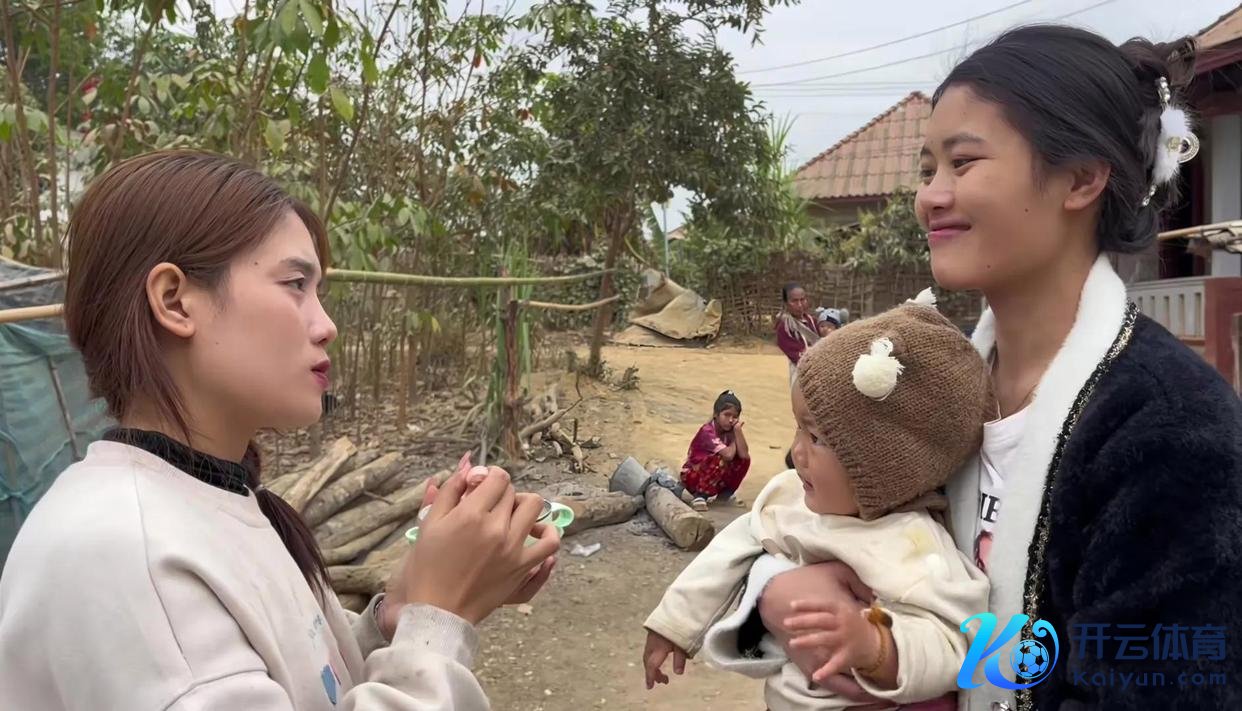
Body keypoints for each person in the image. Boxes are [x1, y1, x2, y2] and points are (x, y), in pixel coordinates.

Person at [748, 26, 1242, 711]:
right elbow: (814, 520)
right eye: (928, 170)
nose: (929, 196)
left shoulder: (1172, 428)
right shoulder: (931, 387)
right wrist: (784, 589)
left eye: (963, 162)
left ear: (1082, 177)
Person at [0, 150, 561, 709]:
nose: (326, 325)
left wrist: (404, 610)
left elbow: (301, 682)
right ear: (175, 301)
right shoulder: (125, 555)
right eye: (295, 283)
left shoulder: (207, 497)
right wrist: (438, 623)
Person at [643, 295, 990, 711]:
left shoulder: (915, 544)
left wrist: (875, 646)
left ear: (884, 463)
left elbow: (955, 640)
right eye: (798, 430)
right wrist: (673, 624)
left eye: (817, 438)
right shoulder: (790, 498)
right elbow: (728, 551)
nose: (796, 453)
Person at [676, 390, 751, 511]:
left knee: (744, 460)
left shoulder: (730, 431)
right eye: (727, 415)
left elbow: (744, 455)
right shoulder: (707, 431)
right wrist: (735, 438)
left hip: (712, 479)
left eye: (735, 417)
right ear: (716, 414)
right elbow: (728, 455)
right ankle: (700, 496)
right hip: (693, 477)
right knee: (720, 458)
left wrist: (738, 431)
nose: (731, 420)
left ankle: (724, 495)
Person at [776, 283, 819, 384]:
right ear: (786, 303)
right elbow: (798, 357)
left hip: (820, 372)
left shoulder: (813, 321)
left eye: (802, 299)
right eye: (794, 301)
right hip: (801, 377)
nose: (800, 305)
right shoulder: (784, 328)